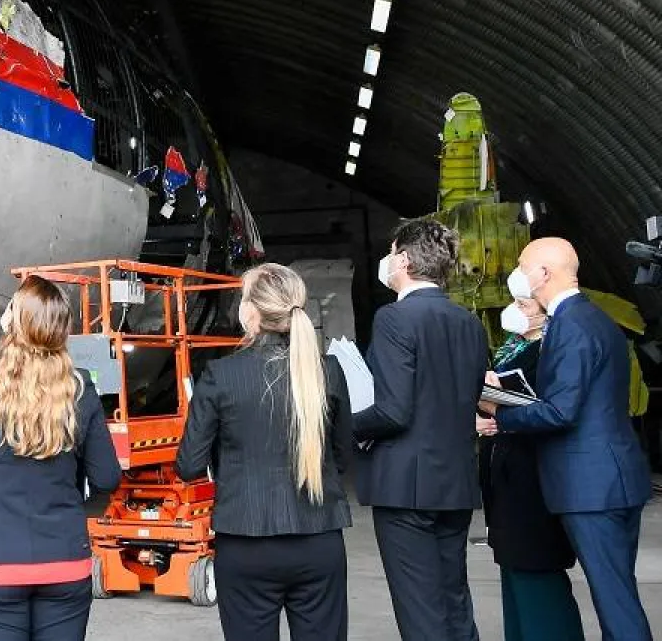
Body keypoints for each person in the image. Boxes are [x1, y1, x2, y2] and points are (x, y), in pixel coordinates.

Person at [0, 275, 122, 641]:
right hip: (64, 561)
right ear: (63, 330)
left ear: (11, 322)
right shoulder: (79, 389)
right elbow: (107, 479)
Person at [484, 238, 653, 641]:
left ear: (543, 274)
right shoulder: (593, 318)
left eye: (523, 266)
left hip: (590, 487)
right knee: (618, 594)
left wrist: (498, 414)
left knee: (616, 601)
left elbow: (561, 410)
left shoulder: (570, 324)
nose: (518, 275)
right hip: (612, 477)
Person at [176, 263, 354, 641]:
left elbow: (189, 465)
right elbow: (342, 458)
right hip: (318, 537)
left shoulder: (220, 375)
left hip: (245, 539)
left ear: (250, 311)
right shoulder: (329, 372)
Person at [353, 218, 489, 641]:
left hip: (406, 484)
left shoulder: (394, 318)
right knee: (453, 596)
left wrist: (345, 425)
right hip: (456, 479)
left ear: (405, 260)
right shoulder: (468, 321)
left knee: (419, 608)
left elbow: (394, 411)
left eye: (392, 252)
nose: (387, 261)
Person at [476, 296, 584, 641]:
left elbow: (556, 411)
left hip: (533, 475)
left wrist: (499, 407)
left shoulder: (553, 349)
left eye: (524, 304)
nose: (513, 309)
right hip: (506, 469)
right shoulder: (514, 347)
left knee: (535, 568)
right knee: (514, 569)